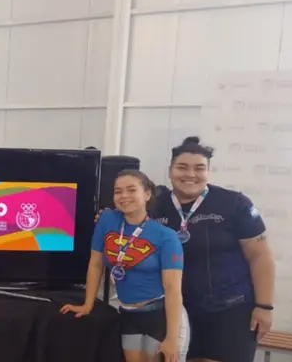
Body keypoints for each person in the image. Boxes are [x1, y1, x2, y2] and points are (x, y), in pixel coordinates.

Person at [153, 136, 274, 362]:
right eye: (182, 167)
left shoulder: (234, 203)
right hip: (175, 312)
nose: (190, 174)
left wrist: (264, 306)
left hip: (230, 311)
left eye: (199, 168)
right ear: (170, 171)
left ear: (208, 172)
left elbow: (260, 256)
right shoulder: (154, 206)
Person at [64, 169, 188, 362]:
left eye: (131, 190)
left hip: (160, 315)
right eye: (118, 191)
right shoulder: (107, 220)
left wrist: (172, 338)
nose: (124, 196)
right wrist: (87, 304)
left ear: (147, 194)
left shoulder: (166, 236)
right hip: (128, 314)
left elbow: (172, 289)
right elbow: (96, 264)